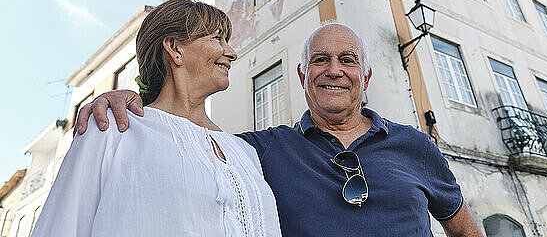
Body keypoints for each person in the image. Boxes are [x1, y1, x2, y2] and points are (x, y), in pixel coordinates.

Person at [75, 22, 483, 236]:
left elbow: (464, 230)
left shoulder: (415, 145)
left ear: (367, 75)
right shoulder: (259, 152)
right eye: (321, 60)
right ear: (303, 75)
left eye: (348, 60)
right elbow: (186, 135)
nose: (334, 70)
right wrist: (135, 99)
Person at [32, 0, 282, 237]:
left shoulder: (244, 152)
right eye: (218, 38)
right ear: (174, 48)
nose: (231, 52)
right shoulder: (112, 129)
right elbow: (61, 227)